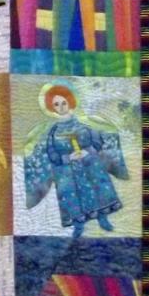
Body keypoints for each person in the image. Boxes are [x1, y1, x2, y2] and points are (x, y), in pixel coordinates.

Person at [24, 82, 128, 238]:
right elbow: (51, 153)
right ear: (51, 107)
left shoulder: (86, 124)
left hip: (90, 164)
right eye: (56, 104)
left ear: (70, 101)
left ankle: (103, 218)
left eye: (63, 102)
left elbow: (98, 141)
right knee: (71, 195)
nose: (61, 107)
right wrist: (67, 158)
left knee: (97, 188)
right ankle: (78, 224)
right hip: (67, 170)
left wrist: (88, 152)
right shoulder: (53, 132)